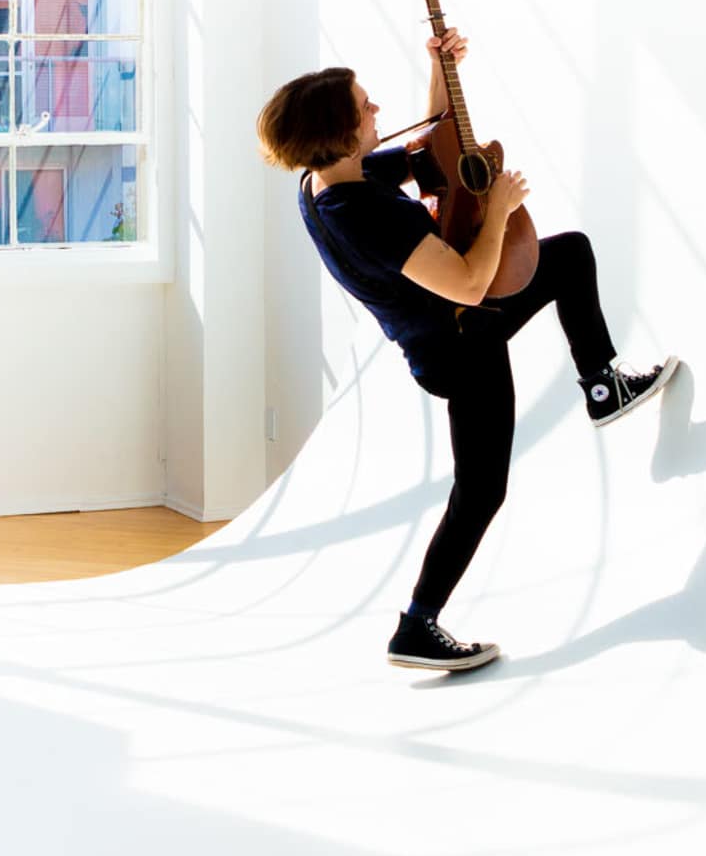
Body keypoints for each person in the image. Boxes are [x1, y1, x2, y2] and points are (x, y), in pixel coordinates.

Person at [258, 33, 674, 674]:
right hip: (460, 343)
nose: (376, 112)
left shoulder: (326, 180)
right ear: (339, 135)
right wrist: (501, 211)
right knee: (481, 491)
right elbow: (471, 283)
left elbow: (432, 147)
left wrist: (439, 68)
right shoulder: (369, 215)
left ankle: (602, 385)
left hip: (445, 332)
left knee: (567, 255)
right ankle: (417, 628)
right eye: (365, 109)